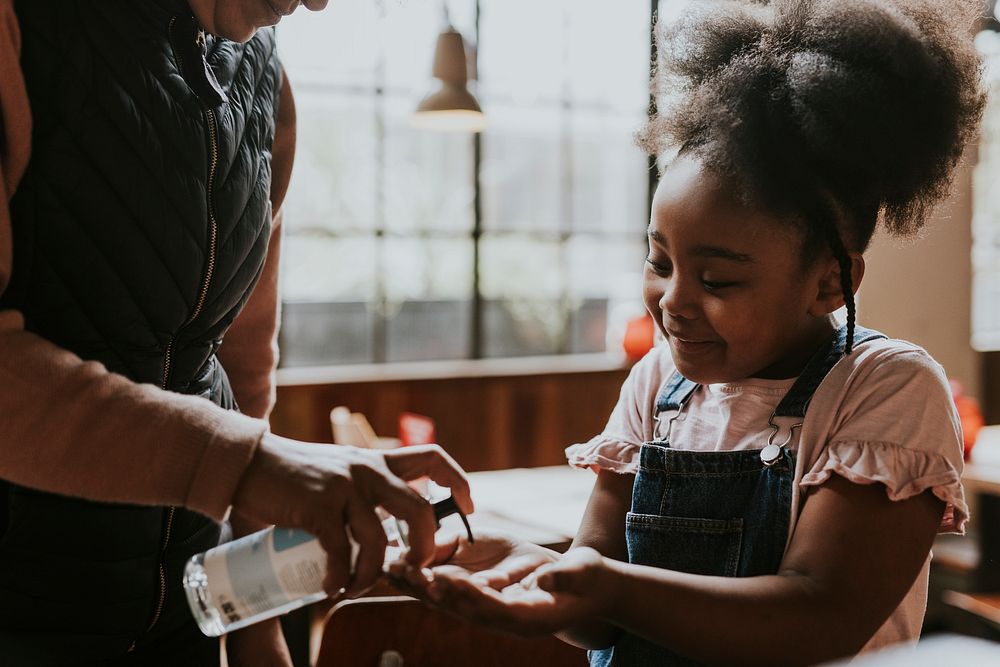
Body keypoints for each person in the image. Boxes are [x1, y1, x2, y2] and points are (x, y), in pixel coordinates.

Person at [392, 0, 985, 664]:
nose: (673, 303)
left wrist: (606, 590)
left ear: (827, 281)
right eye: (660, 262)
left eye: (719, 280)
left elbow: (819, 614)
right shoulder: (659, 382)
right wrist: (532, 570)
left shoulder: (884, 388)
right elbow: (596, 604)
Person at [0, 1, 473, 665]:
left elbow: (242, 367)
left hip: (181, 630)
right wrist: (248, 466)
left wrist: (257, 611)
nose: (315, 2)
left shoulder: (260, 75)